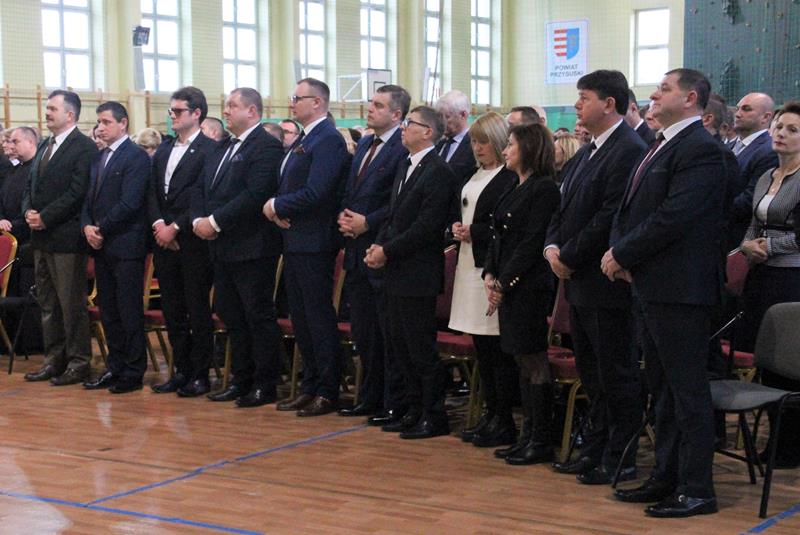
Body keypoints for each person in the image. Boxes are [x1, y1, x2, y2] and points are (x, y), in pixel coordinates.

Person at [602, 69, 724, 518]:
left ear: (690, 98)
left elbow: (675, 216)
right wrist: (620, 252)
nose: (654, 94)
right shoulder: (662, 143)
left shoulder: (700, 149)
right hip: (653, 285)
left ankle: (697, 488)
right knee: (662, 389)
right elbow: (631, 209)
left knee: (686, 392)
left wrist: (623, 252)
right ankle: (666, 476)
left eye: (665, 88)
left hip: (681, 291)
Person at [545, 70, 646, 485]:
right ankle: (594, 448)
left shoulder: (628, 149)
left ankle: (621, 455)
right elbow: (562, 206)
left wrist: (568, 255)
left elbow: (609, 215)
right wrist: (552, 247)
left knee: (615, 373)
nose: (577, 105)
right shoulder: (588, 151)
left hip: (605, 282)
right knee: (592, 373)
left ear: (609, 104)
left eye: (584, 97)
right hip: (578, 280)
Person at [364, 105, 455, 439]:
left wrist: (388, 250)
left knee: (419, 347)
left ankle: (433, 413)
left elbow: (426, 227)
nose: (403, 128)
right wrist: (378, 244)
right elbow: (393, 215)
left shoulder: (439, 171)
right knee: (399, 345)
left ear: (428, 132)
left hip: (418, 272)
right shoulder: (406, 164)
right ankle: (412, 408)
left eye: (409, 123)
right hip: (396, 269)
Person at [193, 87, 284, 408]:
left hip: (251, 246)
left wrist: (215, 221)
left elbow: (255, 193)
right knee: (231, 314)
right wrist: (198, 220)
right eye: (226, 105)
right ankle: (240, 378)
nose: (226, 111)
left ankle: (264, 382)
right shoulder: (223, 146)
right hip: (222, 246)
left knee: (256, 315)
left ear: (252, 112)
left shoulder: (266, 146)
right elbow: (202, 188)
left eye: (233, 105)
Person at [265, 78, 351, 416]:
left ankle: (327, 389)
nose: (292, 103)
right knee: (301, 317)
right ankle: (310, 384)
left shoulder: (327, 139)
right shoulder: (305, 137)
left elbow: (318, 192)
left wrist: (277, 206)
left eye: (297, 98)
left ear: (317, 102)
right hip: (295, 238)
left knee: (317, 317)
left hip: (315, 240)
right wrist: (278, 209)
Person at [484, 123, 560, 465]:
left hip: (528, 285)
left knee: (532, 358)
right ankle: (527, 433)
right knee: (519, 358)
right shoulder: (515, 185)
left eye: (511, 145)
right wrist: (490, 272)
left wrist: (504, 282)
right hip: (508, 282)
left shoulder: (544, 189)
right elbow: (497, 235)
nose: (505, 151)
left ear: (528, 148)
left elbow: (531, 242)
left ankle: (540, 437)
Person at [336, 84, 410, 421]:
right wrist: (345, 216)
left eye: (378, 105)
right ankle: (369, 396)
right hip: (355, 247)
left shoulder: (401, 147)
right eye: (371, 103)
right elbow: (351, 190)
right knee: (364, 331)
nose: (370, 109)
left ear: (396, 114)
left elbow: (398, 201)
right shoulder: (366, 143)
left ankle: (391, 400)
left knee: (385, 332)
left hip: (381, 246)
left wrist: (368, 222)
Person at [448, 112, 517, 448]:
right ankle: (491, 414)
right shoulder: (474, 174)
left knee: (495, 348)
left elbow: (503, 225)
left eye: (484, 141)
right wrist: (456, 227)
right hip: (467, 265)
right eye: (474, 141)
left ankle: (503, 418)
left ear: (499, 141)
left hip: (489, 268)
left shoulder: (508, 178)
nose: (477, 147)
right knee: (481, 347)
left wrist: (473, 231)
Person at [738, 101, 800, 468]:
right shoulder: (767, 176)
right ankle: (775, 440)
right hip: (761, 275)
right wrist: (748, 245)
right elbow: (753, 223)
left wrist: (770, 247)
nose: (781, 134)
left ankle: (789, 446)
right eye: (778, 127)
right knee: (766, 360)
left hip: (791, 278)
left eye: (792, 130)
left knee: (788, 362)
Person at [22, 90, 95, 385]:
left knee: (70, 304)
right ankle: (54, 359)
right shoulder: (45, 144)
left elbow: (78, 192)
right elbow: (30, 184)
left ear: (70, 114)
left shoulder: (84, 147)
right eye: (47, 107)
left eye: (53, 108)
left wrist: (46, 216)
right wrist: (28, 211)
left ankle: (79, 361)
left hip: (66, 239)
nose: (47, 112)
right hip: (41, 239)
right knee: (48, 303)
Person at [147, 86, 217, 397]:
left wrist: (175, 227)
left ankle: (200, 374)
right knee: (172, 310)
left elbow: (202, 196)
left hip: (192, 242)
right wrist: (159, 225)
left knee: (197, 309)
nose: (172, 116)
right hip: (164, 241)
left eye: (178, 111)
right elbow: (152, 193)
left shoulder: (209, 149)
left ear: (196, 113)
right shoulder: (163, 150)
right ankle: (180, 370)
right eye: (171, 111)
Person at [81, 101, 151, 394]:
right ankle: (115, 366)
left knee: (128, 310)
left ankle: (133, 371)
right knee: (108, 310)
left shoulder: (136, 157)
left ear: (123, 123)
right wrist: (87, 226)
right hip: (101, 245)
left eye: (106, 122)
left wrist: (101, 228)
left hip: (126, 244)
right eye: (98, 122)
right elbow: (88, 199)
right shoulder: (99, 157)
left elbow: (130, 202)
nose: (100, 127)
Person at [728, 92, 779, 248]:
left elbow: (753, 197)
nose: (738, 114)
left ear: (765, 117)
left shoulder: (769, 151)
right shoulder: (728, 147)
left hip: (739, 237)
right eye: (738, 108)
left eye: (746, 109)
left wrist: (711, 208)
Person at [434, 90, 476, 185]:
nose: (442, 122)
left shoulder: (474, 144)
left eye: (447, 117)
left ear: (463, 115)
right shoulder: (438, 143)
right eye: (440, 117)